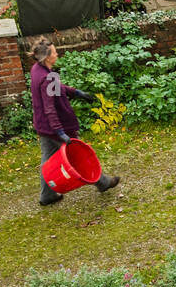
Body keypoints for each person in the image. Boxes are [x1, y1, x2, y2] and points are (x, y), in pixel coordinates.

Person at [30, 38, 120, 206]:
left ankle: (47, 195)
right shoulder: (47, 77)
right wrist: (60, 132)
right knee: (79, 156)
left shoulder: (38, 70)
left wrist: (76, 92)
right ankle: (103, 183)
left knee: (47, 161)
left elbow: (56, 87)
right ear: (47, 57)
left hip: (43, 126)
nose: (57, 54)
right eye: (55, 52)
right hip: (56, 128)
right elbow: (50, 108)